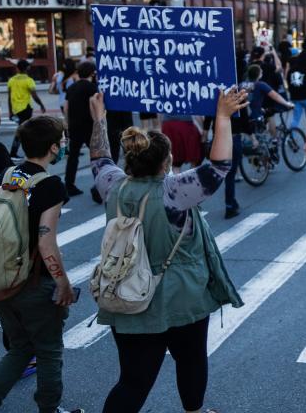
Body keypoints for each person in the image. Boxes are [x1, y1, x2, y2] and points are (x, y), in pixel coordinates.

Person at [89, 89, 245, 413]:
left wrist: (99, 120)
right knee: (190, 363)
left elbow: (99, 158)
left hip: (127, 297)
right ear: (166, 162)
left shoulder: (112, 185)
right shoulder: (172, 191)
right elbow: (218, 168)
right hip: (180, 300)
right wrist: (223, 117)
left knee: (132, 381)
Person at [0, 115, 85, 413]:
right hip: (33, 283)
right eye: (64, 141)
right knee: (49, 351)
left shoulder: (10, 174)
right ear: (54, 148)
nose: (66, 145)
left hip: (1, 277)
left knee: (20, 347)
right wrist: (63, 282)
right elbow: (46, 240)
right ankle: (49, 409)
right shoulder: (51, 185)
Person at [63, 61, 98, 197]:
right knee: (98, 156)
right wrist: (98, 122)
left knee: (73, 157)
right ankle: (100, 183)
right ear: (92, 73)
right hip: (89, 126)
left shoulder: (71, 87)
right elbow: (92, 106)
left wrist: (67, 122)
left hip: (74, 126)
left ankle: (69, 185)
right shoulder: (92, 87)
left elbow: (66, 107)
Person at [7, 59, 45, 159]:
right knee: (23, 130)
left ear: (17, 68)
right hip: (26, 109)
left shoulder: (11, 80)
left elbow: (9, 97)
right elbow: (34, 95)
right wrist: (41, 105)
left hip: (16, 109)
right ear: (27, 68)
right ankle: (15, 153)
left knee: (23, 129)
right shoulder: (29, 80)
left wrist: (10, 111)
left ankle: (17, 152)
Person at [286, 46, 306, 133]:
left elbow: (288, 82)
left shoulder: (291, 70)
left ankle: (291, 135)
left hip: (295, 97)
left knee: (295, 118)